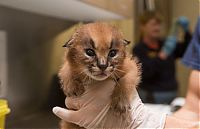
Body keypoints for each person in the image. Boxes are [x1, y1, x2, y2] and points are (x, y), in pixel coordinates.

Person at [52, 18, 200, 128]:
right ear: (143, 27)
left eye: (112, 53)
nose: (103, 65)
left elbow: (131, 70)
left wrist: (143, 121)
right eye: (90, 52)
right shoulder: (141, 48)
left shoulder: (161, 43)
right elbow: (68, 65)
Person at [132, 11, 192, 104]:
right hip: (151, 97)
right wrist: (162, 55)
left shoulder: (166, 43)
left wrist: (187, 31)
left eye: (159, 24)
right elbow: (145, 73)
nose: (157, 28)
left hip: (172, 94)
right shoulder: (139, 49)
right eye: (153, 24)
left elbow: (188, 51)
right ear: (142, 27)